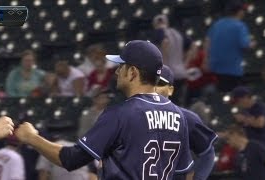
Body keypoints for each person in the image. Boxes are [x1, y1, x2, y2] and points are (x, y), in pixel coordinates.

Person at [15, 40, 193, 179]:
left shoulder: (121, 113)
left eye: (121, 67)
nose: (116, 72)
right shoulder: (179, 116)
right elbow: (184, 173)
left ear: (132, 73)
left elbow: (70, 159)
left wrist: (31, 138)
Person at [156, 65, 218, 180]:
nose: (155, 88)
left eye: (160, 84)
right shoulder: (133, 116)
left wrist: (198, 178)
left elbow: (207, 154)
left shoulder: (186, 118)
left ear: (170, 89)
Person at [204, 0, 255, 92]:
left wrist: (206, 61)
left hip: (215, 68)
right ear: (239, 12)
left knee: (217, 97)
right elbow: (245, 45)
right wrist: (252, 44)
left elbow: (207, 42)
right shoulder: (240, 26)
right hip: (232, 69)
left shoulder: (217, 24)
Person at [152, 14, 187, 105]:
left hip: (169, 74)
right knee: (178, 103)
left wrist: (164, 64)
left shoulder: (159, 32)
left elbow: (165, 42)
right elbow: (193, 46)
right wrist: (185, 63)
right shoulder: (177, 33)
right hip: (181, 73)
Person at [231, 86, 265, 151]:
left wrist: (244, 119)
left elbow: (260, 124)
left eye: (238, 100)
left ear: (245, 97)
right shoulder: (244, 111)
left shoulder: (260, 107)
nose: (238, 104)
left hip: (264, 145)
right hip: (252, 146)